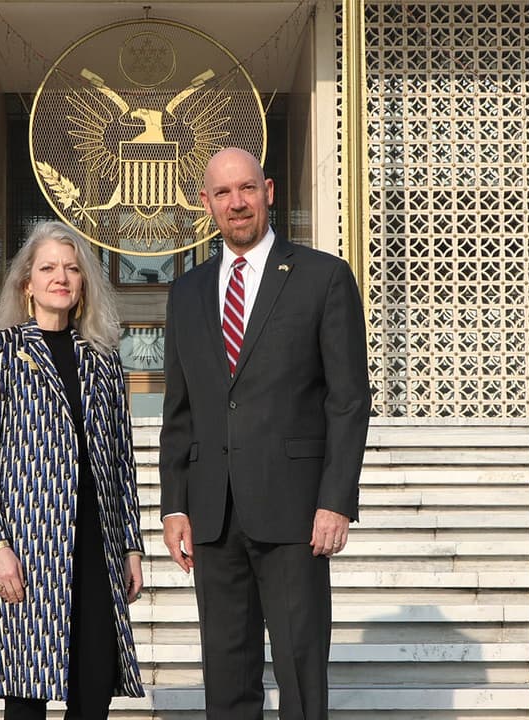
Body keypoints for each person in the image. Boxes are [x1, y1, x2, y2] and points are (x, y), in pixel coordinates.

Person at [159, 148, 371, 719]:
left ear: (269, 190)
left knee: (301, 673)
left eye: (247, 188)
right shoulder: (187, 293)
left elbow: (348, 400)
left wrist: (335, 500)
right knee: (226, 678)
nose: (236, 203)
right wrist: (174, 505)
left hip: (297, 513)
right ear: (206, 204)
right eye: (223, 193)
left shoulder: (323, 278)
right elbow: (180, 409)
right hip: (213, 514)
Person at [0, 220, 146, 720]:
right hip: (29, 544)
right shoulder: (1, 351)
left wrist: (130, 545)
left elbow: (121, 462)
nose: (60, 277)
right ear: (27, 283)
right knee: (27, 692)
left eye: (71, 268)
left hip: (95, 546)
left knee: (94, 685)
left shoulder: (102, 359)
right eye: (48, 268)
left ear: (84, 282)